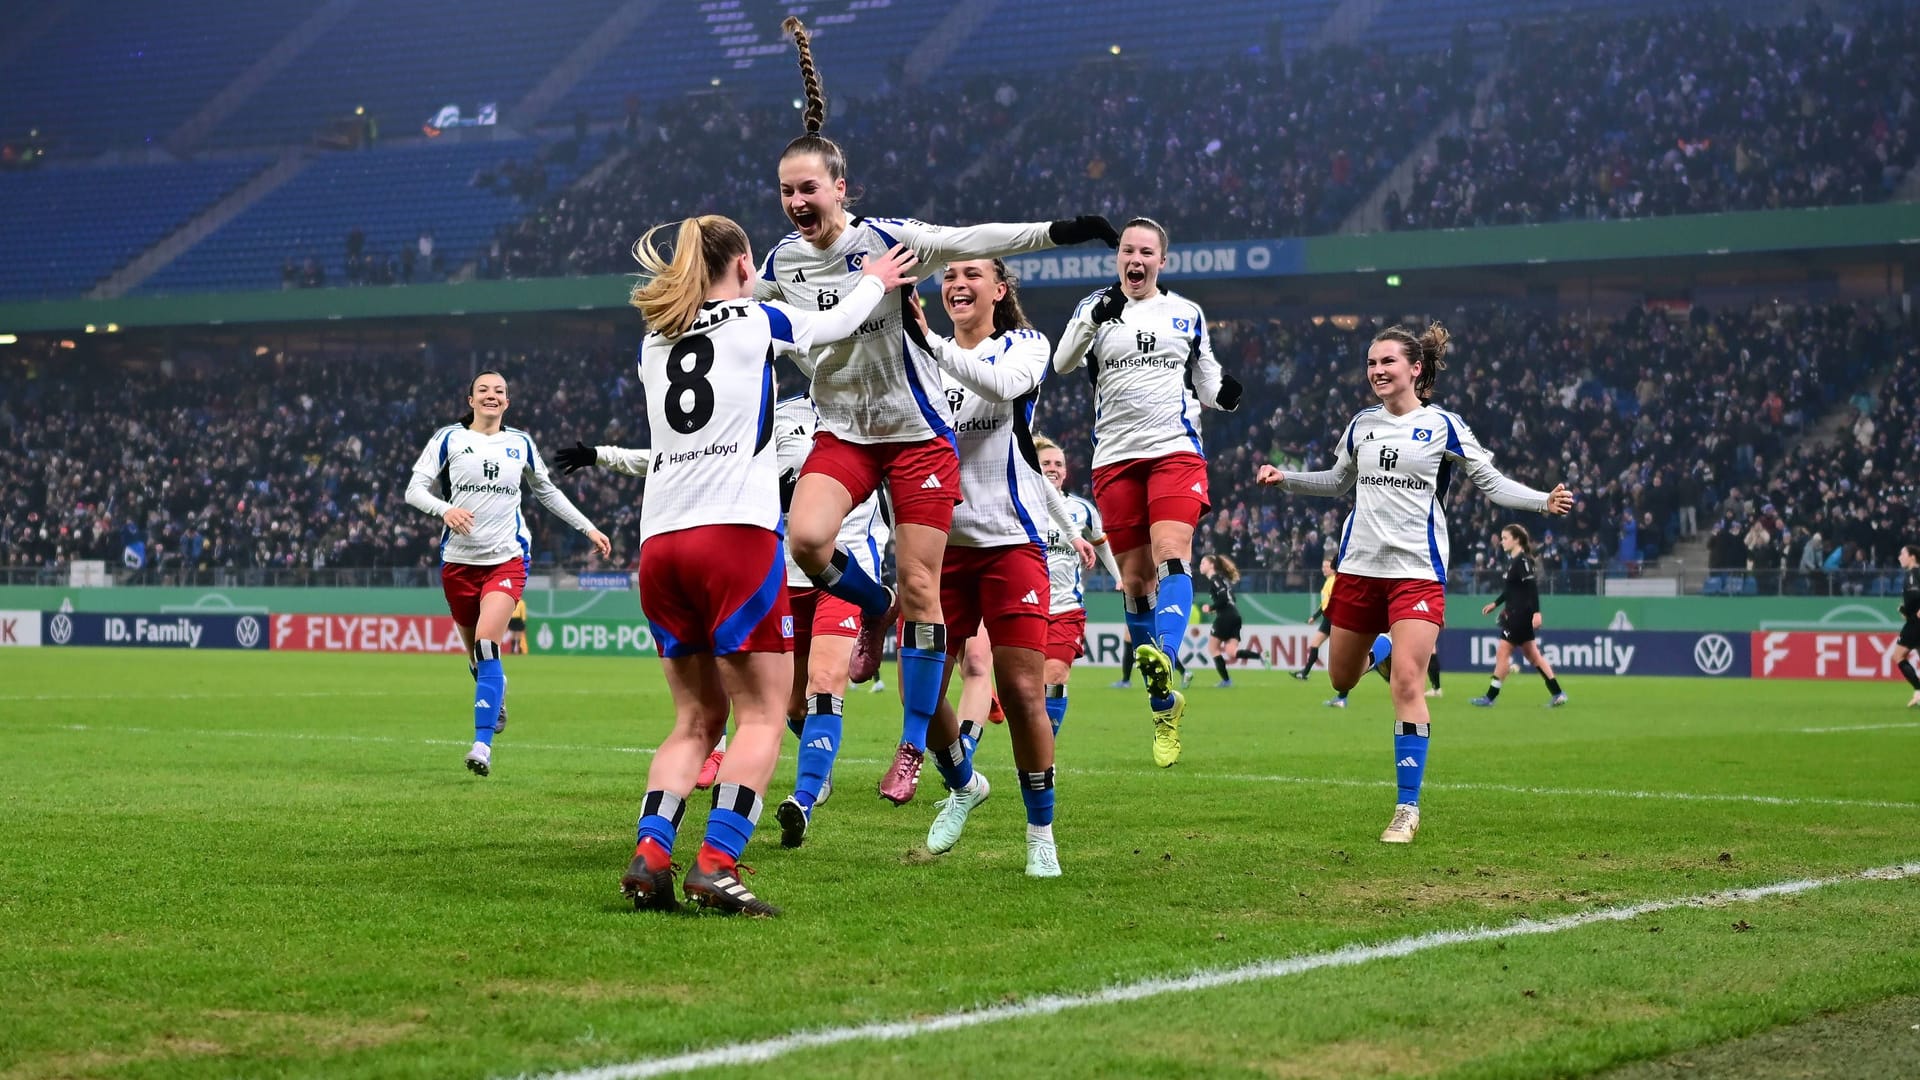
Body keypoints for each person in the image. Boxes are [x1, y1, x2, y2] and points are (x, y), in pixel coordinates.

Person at [761, 17, 1119, 804]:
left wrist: (1061, 233)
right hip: (845, 432)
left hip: (917, 438)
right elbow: (740, 305)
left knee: (926, 591)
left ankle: (933, 759)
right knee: (810, 538)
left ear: (840, 189)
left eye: (808, 188)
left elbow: (976, 235)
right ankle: (876, 606)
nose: (796, 202)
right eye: (786, 191)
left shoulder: (889, 242)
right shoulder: (782, 261)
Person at [615, 214, 918, 916]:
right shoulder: (757, 319)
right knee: (759, 715)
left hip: (660, 543)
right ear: (746, 264)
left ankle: (652, 851)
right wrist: (872, 280)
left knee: (694, 720)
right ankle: (717, 863)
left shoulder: (653, 341)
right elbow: (831, 327)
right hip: (735, 538)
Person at [1256, 322, 1571, 844]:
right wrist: (1285, 477)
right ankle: (1379, 648)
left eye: (1388, 363)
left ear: (1415, 368)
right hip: (1358, 569)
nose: (1377, 371)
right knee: (1340, 680)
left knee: (1407, 681)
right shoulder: (1360, 424)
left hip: (1417, 572)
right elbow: (1337, 483)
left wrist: (1542, 500)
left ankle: (1406, 808)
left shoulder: (1444, 425)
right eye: (1372, 363)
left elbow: (1490, 484)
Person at [905, 257, 1093, 876]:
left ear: (1000, 288)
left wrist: (928, 341)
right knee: (920, 690)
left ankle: (1041, 834)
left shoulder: (1025, 345)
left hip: (1011, 540)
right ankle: (963, 781)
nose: (957, 282)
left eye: (972, 274)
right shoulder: (917, 361)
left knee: (1019, 690)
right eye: (949, 274)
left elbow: (1002, 387)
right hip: (938, 546)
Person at [1052, 217, 1243, 767]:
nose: (1136, 260)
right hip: (1115, 459)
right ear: (1119, 259)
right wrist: (1092, 316)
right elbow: (1062, 363)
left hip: (1175, 451)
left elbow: (1207, 382)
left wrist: (1226, 395)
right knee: (1134, 583)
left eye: (1146, 252)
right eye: (1128, 251)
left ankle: (1162, 653)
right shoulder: (1093, 309)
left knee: (1172, 558)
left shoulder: (1186, 313)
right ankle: (1163, 701)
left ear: (1162, 261)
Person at [405, 370, 611, 778]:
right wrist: (445, 509)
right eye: (483, 390)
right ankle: (494, 692)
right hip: (459, 563)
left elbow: (547, 491)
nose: (491, 396)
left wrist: (587, 527)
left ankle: (482, 744)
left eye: (499, 391)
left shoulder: (520, 443)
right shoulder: (448, 439)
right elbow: (415, 489)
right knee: (476, 658)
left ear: (507, 401)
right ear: (470, 400)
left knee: (486, 643)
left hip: (506, 558)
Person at [772, 393, 893, 847]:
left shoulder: (871, 405)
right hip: (786, 572)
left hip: (846, 569)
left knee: (824, 680)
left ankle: (803, 797)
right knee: (793, 705)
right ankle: (818, 769)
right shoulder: (781, 412)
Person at [1035, 434, 1120, 735]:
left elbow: (1101, 544)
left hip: (1066, 608)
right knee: (1027, 686)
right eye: (1046, 462)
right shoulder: (1020, 503)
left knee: (1055, 675)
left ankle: (1045, 751)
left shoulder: (1082, 509)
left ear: (1066, 471)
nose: (1053, 468)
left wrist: (1119, 576)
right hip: (1027, 605)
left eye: (1059, 463)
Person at [1472, 524, 1567, 708]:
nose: (1502, 542)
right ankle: (1558, 693)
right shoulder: (1514, 560)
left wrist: (1537, 612)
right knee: (1533, 656)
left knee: (1503, 652)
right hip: (1518, 614)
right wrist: (1495, 604)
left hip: (1519, 616)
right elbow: (1510, 590)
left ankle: (1490, 697)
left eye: (1505, 538)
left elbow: (1532, 587)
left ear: (1516, 539)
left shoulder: (1522, 560)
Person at [1198, 554, 1262, 687]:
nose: (1200, 565)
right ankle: (1261, 656)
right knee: (1231, 652)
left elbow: (1223, 599)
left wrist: (1211, 607)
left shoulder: (1215, 579)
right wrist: (1217, 608)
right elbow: (1231, 599)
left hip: (1226, 617)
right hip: (1235, 616)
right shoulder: (1223, 579)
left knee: (1213, 648)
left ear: (1211, 565)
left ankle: (1226, 681)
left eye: (1203, 563)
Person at [1294, 557, 1337, 681]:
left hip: (1334, 619)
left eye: (1326, 566)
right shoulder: (1328, 581)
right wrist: (1314, 616)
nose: (1324, 569)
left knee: (1341, 651)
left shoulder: (1334, 581)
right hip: (1327, 619)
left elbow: (1330, 603)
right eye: (1323, 566)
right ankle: (1305, 673)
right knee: (1314, 644)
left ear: (1333, 568)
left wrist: (1316, 616)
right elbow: (1324, 603)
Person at [1892, 544, 1920, 708]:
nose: (1899, 557)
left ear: (1912, 557)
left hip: (1916, 623)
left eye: (1902, 554)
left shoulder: (1912, 573)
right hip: (1914, 620)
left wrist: (1908, 610)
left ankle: (1918, 689)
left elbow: (1915, 595)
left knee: (1899, 656)